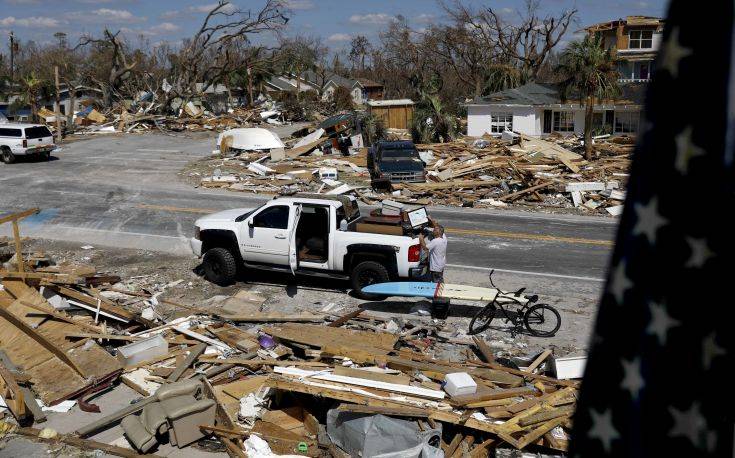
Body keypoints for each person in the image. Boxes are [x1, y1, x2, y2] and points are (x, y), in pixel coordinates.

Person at [418, 216, 447, 283]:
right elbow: (437, 226)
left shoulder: (435, 241)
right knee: (439, 279)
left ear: (438, 232)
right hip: (441, 265)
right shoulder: (444, 238)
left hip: (435, 267)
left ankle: (439, 292)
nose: (433, 231)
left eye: (434, 230)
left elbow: (425, 248)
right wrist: (431, 220)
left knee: (437, 282)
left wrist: (421, 238)